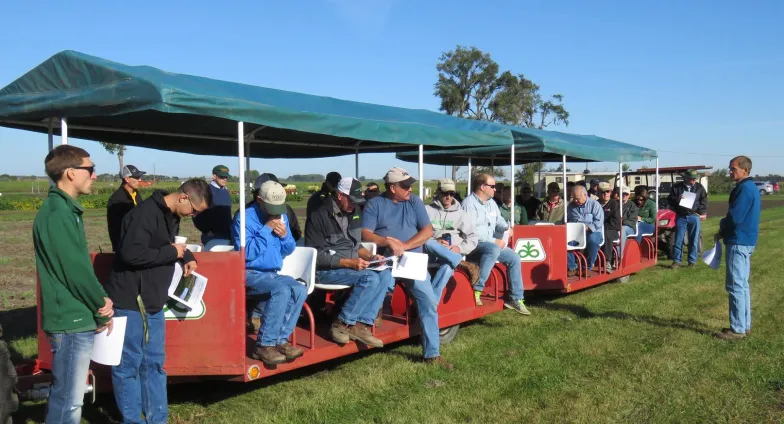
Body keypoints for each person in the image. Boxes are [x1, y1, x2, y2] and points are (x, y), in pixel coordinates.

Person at [106, 178, 211, 424]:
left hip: (152, 300)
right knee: (128, 365)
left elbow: (168, 243)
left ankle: (157, 419)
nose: (193, 215)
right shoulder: (144, 215)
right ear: (184, 197)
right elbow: (130, 254)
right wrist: (172, 253)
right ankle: (133, 420)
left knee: (154, 363)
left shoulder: (169, 214)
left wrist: (187, 256)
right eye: (195, 211)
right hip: (131, 300)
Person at [33, 145, 114, 424]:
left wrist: (99, 301)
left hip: (76, 315)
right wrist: (100, 304)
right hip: (70, 320)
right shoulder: (58, 214)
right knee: (69, 400)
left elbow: (78, 266)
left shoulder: (65, 210)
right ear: (71, 173)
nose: (95, 175)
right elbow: (75, 271)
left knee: (70, 396)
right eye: (90, 169)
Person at [361, 167, 453, 370]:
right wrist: (386, 241)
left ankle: (432, 353)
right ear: (393, 188)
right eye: (405, 186)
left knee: (428, 302)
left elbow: (427, 230)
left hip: (412, 260)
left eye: (410, 185)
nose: (410, 188)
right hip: (385, 260)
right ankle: (364, 325)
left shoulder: (414, 202)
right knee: (376, 288)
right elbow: (366, 233)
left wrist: (405, 246)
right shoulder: (374, 204)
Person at [306, 177, 389, 348]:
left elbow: (356, 245)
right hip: (323, 271)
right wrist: (349, 263)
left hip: (350, 267)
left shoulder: (355, 211)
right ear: (339, 195)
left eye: (358, 201)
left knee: (386, 273)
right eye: (351, 200)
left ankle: (362, 325)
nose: (354, 205)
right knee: (369, 278)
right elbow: (316, 255)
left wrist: (371, 257)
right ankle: (341, 324)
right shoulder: (318, 215)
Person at [232, 181, 306, 365]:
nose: (276, 212)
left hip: (272, 272)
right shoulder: (244, 219)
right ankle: (264, 344)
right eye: (271, 207)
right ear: (259, 200)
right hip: (249, 272)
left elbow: (288, 249)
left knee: (300, 289)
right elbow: (247, 254)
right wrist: (266, 229)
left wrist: (285, 236)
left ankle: (280, 340)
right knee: (281, 290)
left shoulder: (282, 216)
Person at [462, 173, 531, 315]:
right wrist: (494, 241)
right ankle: (477, 289)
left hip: (489, 245)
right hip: (472, 245)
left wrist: (506, 227)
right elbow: (471, 231)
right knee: (493, 248)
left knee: (514, 257)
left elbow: (498, 220)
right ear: (482, 187)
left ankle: (516, 298)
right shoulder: (468, 204)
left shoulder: (492, 203)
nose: (495, 190)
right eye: (492, 186)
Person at [714, 156, 760, 340]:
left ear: (744, 170)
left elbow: (735, 217)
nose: (730, 172)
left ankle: (738, 329)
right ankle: (744, 325)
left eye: (733, 169)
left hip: (739, 241)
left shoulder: (745, 189)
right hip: (745, 240)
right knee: (742, 285)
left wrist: (722, 225)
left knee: (736, 286)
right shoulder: (750, 188)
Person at [425, 179, 481, 287]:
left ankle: (432, 302)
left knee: (447, 267)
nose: (448, 197)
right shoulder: (427, 210)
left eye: (452, 194)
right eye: (445, 193)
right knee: (428, 242)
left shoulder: (462, 214)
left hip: (451, 251)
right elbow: (419, 234)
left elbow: (472, 238)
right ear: (438, 192)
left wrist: (459, 248)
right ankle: (462, 263)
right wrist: (436, 242)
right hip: (431, 252)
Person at [667, 169, 708, 268]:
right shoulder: (677, 187)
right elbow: (669, 200)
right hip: (681, 216)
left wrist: (700, 212)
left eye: (695, 178)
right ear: (686, 177)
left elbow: (704, 200)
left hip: (694, 216)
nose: (693, 180)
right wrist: (677, 199)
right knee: (678, 239)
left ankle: (692, 261)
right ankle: (676, 261)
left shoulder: (699, 188)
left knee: (693, 239)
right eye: (691, 178)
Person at [566, 185, 604, 276]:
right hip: (576, 234)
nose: (575, 201)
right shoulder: (571, 206)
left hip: (593, 232)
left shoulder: (594, 205)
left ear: (585, 195)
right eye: (573, 198)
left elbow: (599, 221)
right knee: (564, 240)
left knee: (592, 240)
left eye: (577, 198)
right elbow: (566, 220)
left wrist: (587, 228)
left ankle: (587, 267)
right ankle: (572, 267)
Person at [193, 165, 233, 251]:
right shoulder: (206, 191)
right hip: (212, 236)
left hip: (226, 234)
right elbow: (196, 214)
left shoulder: (225, 191)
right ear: (214, 176)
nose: (225, 179)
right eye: (222, 177)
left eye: (226, 177)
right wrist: (207, 230)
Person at [107, 165, 146, 252]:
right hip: (125, 246)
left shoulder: (136, 194)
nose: (140, 180)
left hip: (138, 242)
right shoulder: (117, 199)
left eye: (140, 177)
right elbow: (116, 228)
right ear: (127, 179)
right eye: (136, 177)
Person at [253, 173, 302, 242]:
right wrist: (267, 229)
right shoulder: (244, 216)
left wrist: (285, 236)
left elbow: (296, 233)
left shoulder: (286, 209)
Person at [597, 182, 621, 271]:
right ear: (598, 193)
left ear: (610, 192)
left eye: (607, 191)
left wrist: (602, 227)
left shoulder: (615, 204)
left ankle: (607, 261)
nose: (606, 194)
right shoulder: (595, 204)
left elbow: (616, 221)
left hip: (612, 230)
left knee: (607, 234)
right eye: (603, 192)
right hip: (597, 229)